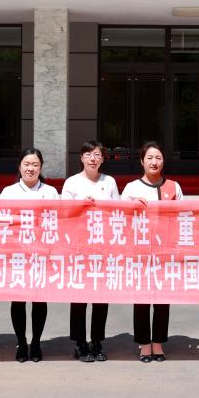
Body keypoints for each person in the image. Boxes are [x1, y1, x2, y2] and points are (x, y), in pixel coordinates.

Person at [121, 141, 183, 363]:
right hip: (140, 251)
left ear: (163, 161)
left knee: (162, 298)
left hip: (165, 251)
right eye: (149, 158)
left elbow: (182, 217)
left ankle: (158, 342)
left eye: (158, 158)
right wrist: (131, 206)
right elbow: (120, 219)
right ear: (142, 161)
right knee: (142, 298)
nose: (154, 162)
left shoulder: (174, 187)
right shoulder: (131, 188)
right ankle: (144, 343)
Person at [61, 140, 121, 362]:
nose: (93, 158)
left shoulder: (110, 182)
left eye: (97, 154)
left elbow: (117, 211)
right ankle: (79, 342)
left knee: (100, 297)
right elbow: (64, 214)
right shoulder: (72, 183)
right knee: (79, 296)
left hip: (103, 246)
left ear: (103, 158)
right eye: (88, 154)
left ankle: (97, 340)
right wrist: (80, 205)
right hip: (79, 247)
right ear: (81, 158)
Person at [0, 148, 59, 363]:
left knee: (39, 301)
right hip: (17, 254)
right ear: (19, 166)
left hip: (41, 254)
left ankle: (36, 342)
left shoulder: (50, 192)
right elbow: (2, 222)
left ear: (41, 167)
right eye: (26, 164)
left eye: (35, 164)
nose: (30, 168)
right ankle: (21, 342)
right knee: (18, 301)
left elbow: (56, 222)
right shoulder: (9, 192)